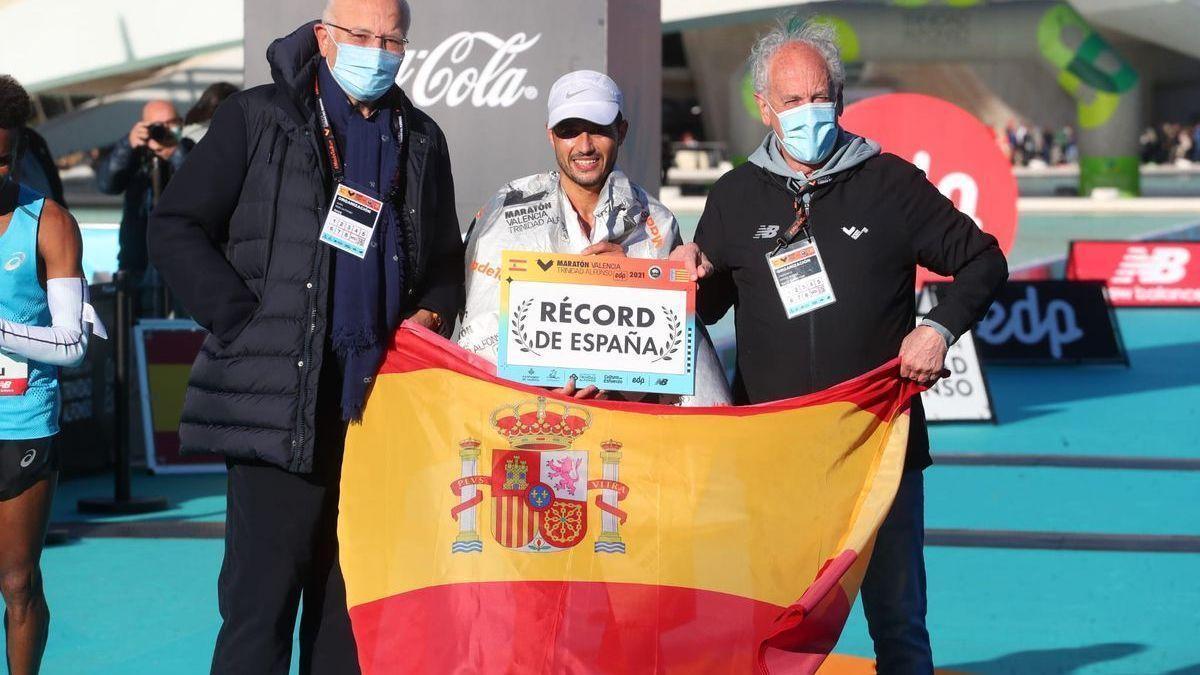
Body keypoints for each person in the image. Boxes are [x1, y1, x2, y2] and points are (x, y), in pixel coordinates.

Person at [672, 15, 1007, 673]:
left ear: (842, 98)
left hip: (878, 451)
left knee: (899, 627)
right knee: (768, 624)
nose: (808, 112)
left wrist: (939, 329)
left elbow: (984, 261)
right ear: (765, 108)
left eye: (819, 96)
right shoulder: (736, 196)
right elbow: (707, 310)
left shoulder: (892, 184)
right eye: (792, 101)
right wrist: (690, 276)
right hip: (774, 460)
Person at [148, 0, 463, 671]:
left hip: (376, 414)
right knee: (258, 613)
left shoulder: (421, 137)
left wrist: (433, 311)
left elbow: (443, 260)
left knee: (345, 618)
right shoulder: (257, 118)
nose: (376, 51)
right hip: (275, 408)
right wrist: (239, 316)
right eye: (360, 35)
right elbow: (174, 225)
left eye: (392, 39)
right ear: (323, 37)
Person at [457, 70, 729, 405]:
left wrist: (630, 279)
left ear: (622, 131)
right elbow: (479, 338)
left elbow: (676, 350)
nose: (584, 146)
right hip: (528, 419)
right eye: (569, 131)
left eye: (598, 130)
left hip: (631, 429)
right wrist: (541, 384)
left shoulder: (655, 220)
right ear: (550, 136)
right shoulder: (508, 210)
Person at [0, 75, 103, 675]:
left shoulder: (50, 223)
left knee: (16, 581)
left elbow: (70, 345)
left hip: (23, 422)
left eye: (4, 158)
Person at [96, 99, 192, 305]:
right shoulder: (134, 156)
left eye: (171, 124)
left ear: (181, 124)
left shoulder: (190, 152)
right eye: (157, 127)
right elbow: (106, 183)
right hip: (137, 262)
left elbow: (199, 186)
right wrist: (127, 145)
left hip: (184, 265)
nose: (164, 131)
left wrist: (174, 154)